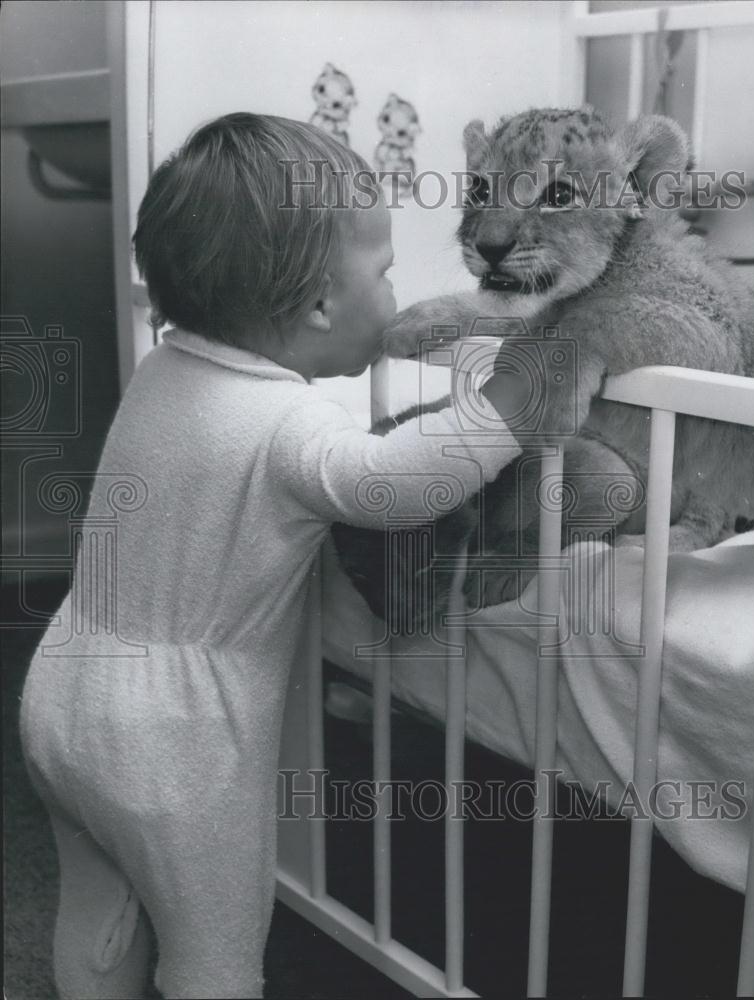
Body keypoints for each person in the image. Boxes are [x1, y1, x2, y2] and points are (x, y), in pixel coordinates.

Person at [20, 112, 537, 999]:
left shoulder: (164, 370)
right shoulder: (285, 424)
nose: (394, 291)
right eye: (384, 273)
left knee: (98, 904)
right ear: (318, 308)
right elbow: (391, 484)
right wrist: (520, 401)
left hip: (61, 690)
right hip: (174, 745)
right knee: (214, 954)